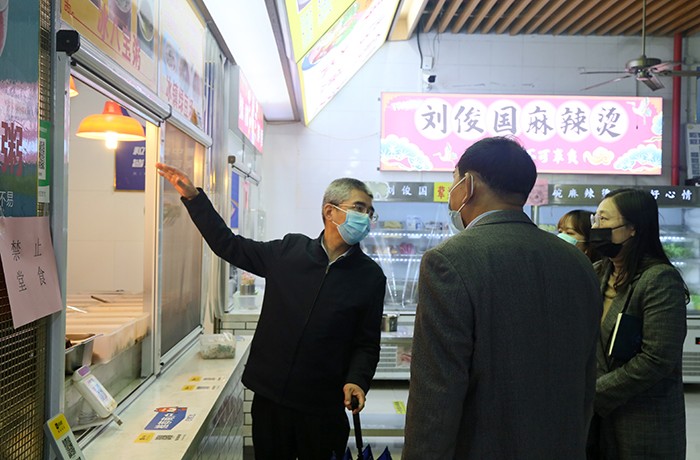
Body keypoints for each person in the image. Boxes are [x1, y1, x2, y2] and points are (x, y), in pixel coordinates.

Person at [155, 162, 386, 460]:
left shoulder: (370, 276)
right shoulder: (289, 251)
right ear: (330, 211)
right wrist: (194, 199)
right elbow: (229, 245)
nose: (365, 218)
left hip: (324, 406)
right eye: (359, 208)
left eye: (369, 212)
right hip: (271, 399)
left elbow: (367, 343)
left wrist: (357, 379)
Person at [403, 137, 602, 459]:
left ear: (468, 185)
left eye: (454, 180)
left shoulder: (449, 260)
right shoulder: (577, 261)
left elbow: (437, 391)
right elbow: (586, 377)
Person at [587, 188, 687, 459]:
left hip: (642, 422)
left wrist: (593, 394)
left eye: (604, 220)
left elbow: (657, 359)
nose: (596, 228)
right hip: (596, 424)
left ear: (632, 228)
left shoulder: (659, 280)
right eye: (595, 219)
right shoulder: (597, 273)